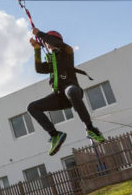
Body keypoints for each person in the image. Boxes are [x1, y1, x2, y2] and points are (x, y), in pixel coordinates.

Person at [27, 27, 105, 156]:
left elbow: (57, 44)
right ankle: (54, 134)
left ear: (57, 41)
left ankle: (90, 128)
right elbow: (39, 69)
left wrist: (40, 34)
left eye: (50, 42)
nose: (49, 45)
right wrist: (36, 49)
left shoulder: (67, 51)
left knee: (71, 91)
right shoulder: (52, 61)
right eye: (47, 44)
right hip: (59, 96)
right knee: (32, 107)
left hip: (72, 91)